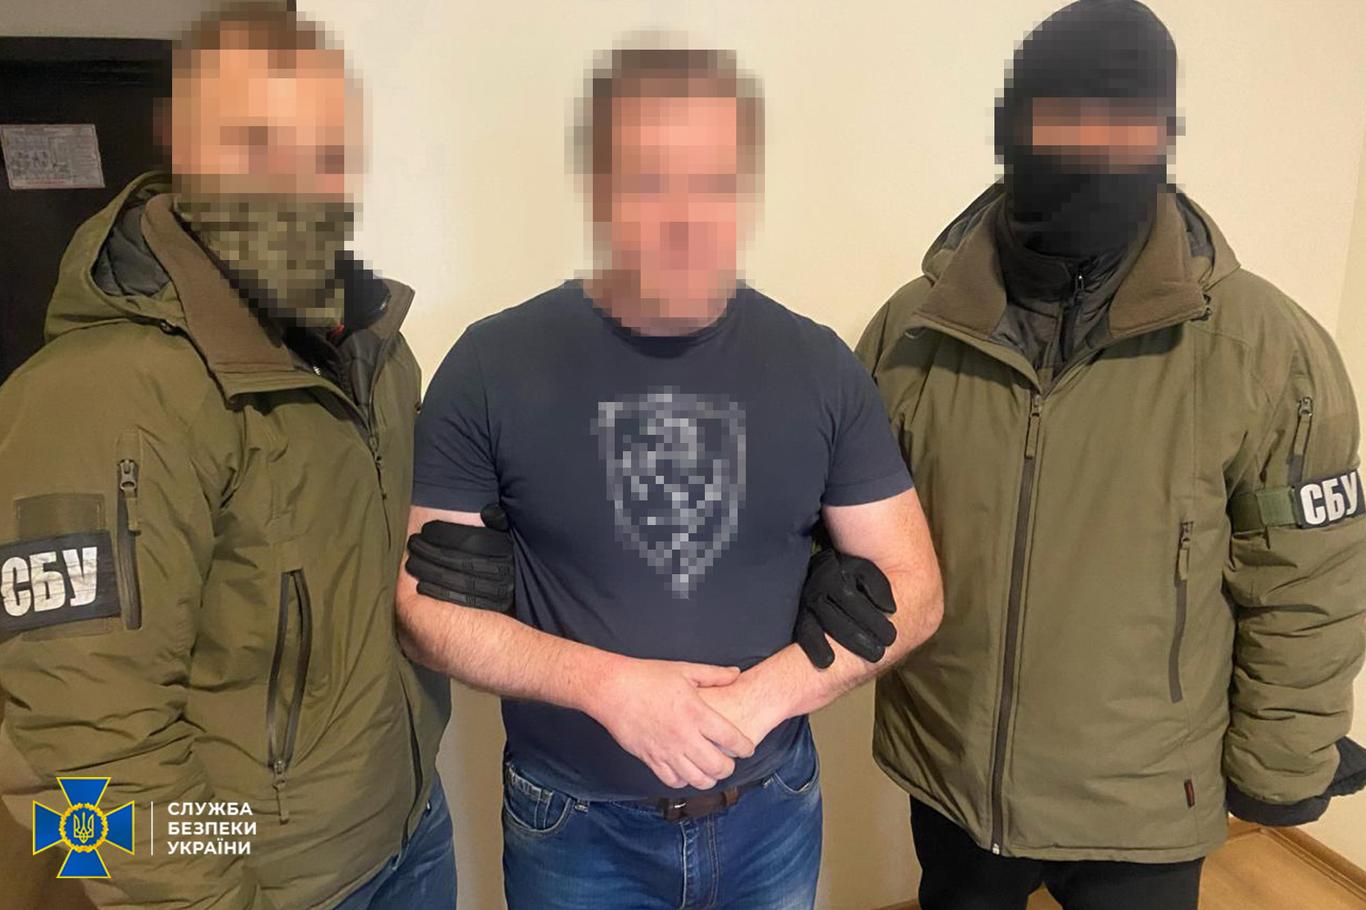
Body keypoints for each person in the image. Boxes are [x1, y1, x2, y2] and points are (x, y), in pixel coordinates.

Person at [396, 44, 943, 909]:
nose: (687, 217)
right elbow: (426, 612)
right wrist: (608, 688)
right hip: (573, 825)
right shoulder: (490, 366)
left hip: (771, 811)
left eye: (715, 183)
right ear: (599, 189)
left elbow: (916, 586)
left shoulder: (818, 366)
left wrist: (762, 699)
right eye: (652, 181)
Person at [856, 2, 1366, 908]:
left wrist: (1283, 764)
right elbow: (850, 518)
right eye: (1062, 112)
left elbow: (1309, 582)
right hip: (952, 776)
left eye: (1124, 117)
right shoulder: (913, 330)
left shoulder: (1262, 346)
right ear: (1014, 125)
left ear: (1163, 133)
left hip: (1146, 805)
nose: (1090, 144)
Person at [0, 4, 452, 908]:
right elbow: (86, 750)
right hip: (266, 880)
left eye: (327, 148)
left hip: (406, 831)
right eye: (256, 141)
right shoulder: (105, 394)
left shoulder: (371, 345)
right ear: (183, 145)